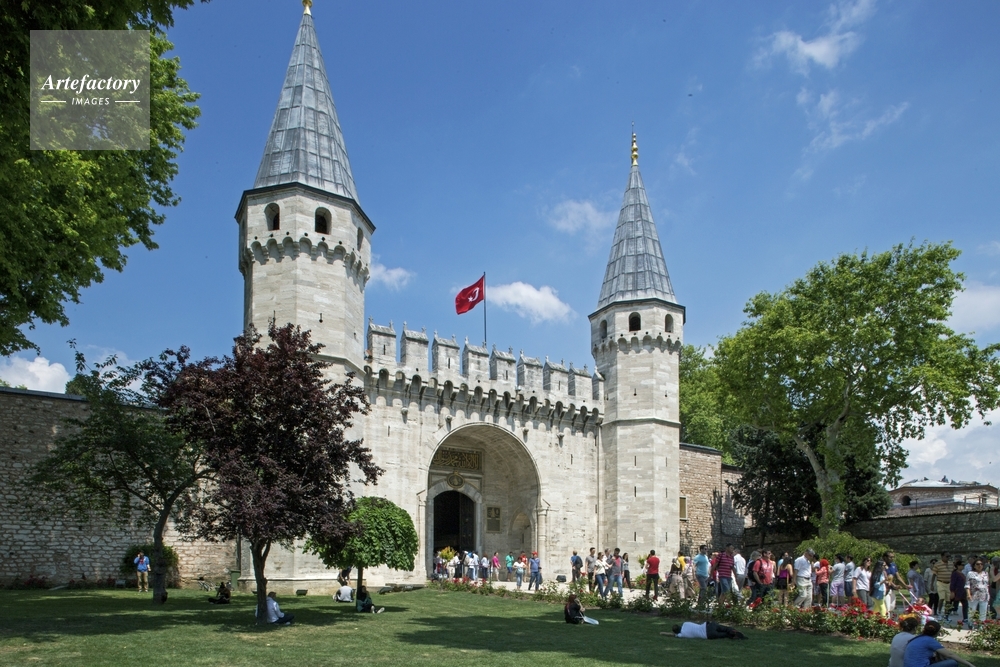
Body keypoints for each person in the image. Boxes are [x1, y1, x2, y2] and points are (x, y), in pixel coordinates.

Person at [902, 619, 977, 667]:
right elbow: (950, 654)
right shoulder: (929, 640)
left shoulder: (918, 638)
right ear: (937, 632)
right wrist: (969, 664)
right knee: (953, 662)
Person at [967, 559, 990, 627]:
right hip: (974, 594)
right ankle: (970, 624)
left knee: (983, 611)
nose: (980, 565)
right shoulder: (970, 573)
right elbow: (967, 585)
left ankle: (981, 625)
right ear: (974, 566)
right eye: (977, 564)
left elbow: (987, 584)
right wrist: (968, 594)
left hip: (984, 595)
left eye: (981, 564)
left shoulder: (985, 573)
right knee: (972, 611)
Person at [666, 621, 747, 640]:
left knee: (724, 634)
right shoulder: (685, 623)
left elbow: (674, 635)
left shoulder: (682, 634)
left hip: (707, 635)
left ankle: (733, 636)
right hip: (707, 625)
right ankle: (733, 631)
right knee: (725, 628)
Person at [933, 552, 953, 617]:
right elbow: (934, 574)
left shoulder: (951, 564)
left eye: (949, 556)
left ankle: (946, 614)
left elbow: (954, 572)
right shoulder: (937, 564)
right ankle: (939, 612)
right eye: (947, 556)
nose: (948, 558)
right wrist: (931, 584)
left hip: (949, 583)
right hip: (940, 582)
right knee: (941, 598)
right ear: (942, 556)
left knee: (948, 600)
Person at [951, 559, 969, 624]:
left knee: (965, 604)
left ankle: (965, 618)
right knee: (952, 604)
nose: (963, 566)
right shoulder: (955, 573)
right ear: (958, 566)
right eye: (962, 565)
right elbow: (953, 583)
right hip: (957, 591)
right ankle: (946, 616)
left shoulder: (962, 573)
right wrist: (952, 591)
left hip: (963, 591)